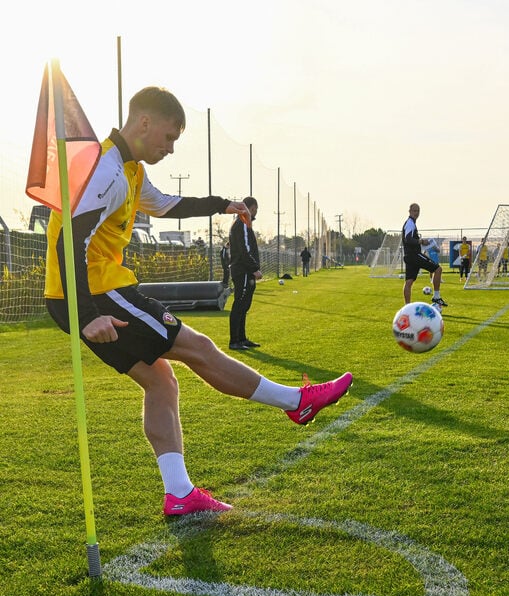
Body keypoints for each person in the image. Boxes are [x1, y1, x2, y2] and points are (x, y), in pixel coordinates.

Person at [43, 86, 353, 516]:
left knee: (161, 381)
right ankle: (297, 402)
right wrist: (87, 315)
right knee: (198, 348)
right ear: (145, 122)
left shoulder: (129, 171)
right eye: (168, 138)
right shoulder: (105, 170)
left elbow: (167, 205)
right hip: (93, 293)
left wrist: (222, 204)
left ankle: (180, 494)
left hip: (92, 292)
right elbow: (68, 240)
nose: (170, 149)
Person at [229, 196, 262, 350]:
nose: (255, 213)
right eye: (254, 209)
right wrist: (254, 268)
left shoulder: (244, 224)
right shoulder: (241, 223)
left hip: (245, 271)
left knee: (244, 305)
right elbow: (244, 250)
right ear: (247, 208)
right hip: (242, 271)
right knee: (239, 304)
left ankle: (242, 339)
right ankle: (234, 340)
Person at [402, 203, 447, 307]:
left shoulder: (411, 223)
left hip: (409, 256)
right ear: (409, 211)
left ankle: (407, 307)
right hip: (414, 255)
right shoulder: (410, 223)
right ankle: (436, 297)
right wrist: (421, 241)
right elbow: (408, 239)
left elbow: (409, 239)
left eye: (418, 211)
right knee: (438, 269)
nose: (416, 213)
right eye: (414, 211)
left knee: (409, 282)